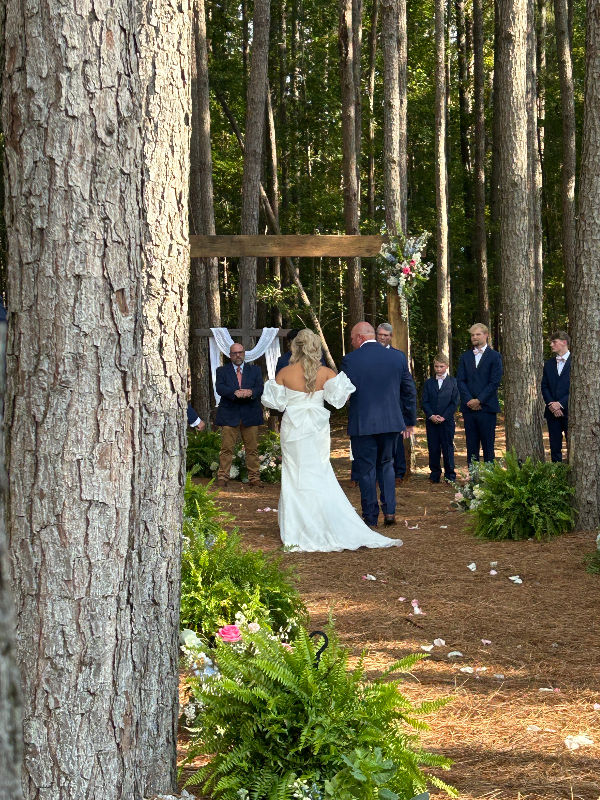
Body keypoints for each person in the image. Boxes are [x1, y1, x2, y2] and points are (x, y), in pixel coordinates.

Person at [261, 329, 403, 552]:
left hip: (294, 428)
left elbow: (273, 403)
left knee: (294, 473)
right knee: (320, 470)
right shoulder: (326, 372)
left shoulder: (284, 373)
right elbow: (341, 398)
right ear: (316, 348)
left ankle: (298, 525)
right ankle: (324, 518)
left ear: (295, 348)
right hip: (317, 426)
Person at [341, 322, 417, 528]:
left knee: (366, 470)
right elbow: (408, 390)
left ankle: (371, 516)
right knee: (387, 465)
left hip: (363, 424)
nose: (351, 342)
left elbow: (343, 392)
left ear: (359, 338)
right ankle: (390, 511)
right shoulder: (397, 357)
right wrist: (409, 421)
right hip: (391, 423)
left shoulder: (350, 360)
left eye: (351, 338)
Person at [215, 343, 264, 487]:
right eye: (235, 353)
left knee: (252, 449)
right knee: (226, 448)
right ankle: (223, 477)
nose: (238, 355)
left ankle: (254, 478)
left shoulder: (254, 370)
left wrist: (251, 392)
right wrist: (234, 393)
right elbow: (220, 388)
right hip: (229, 414)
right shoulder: (222, 370)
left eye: (240, 352)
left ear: (244, 353)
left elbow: (260, 387)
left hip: (250, 414)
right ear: (230, 355)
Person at [456, 323, 503, 463]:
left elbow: (494, 382)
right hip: (469, 409)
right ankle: (473, 481)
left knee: (488, 447)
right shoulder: (465, 357)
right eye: (472, 335)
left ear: (486, 335)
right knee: (471, 447)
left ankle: (490, 481)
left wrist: (479, 400)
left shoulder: (495, 356)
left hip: (487, 408)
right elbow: (460, 381)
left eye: (478, 334)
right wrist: (470, 400)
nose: (474, 337)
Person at [376, 322, 408, 484]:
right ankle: (378, 473)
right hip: (375, 406)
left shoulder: (399, 356)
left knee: (396, 441)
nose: (382, 337)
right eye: (380, 334)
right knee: (377, 440)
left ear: (391, 337)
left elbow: (405, 383)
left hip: (395, 405)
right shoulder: (370, 354)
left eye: (386, 335)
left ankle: (399, 473)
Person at [422, 353, 459, 483]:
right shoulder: (428, 383)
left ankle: (450, 475)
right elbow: (424, 402)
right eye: (436, 366)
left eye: (441, 366)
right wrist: (431, 415)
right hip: (431, 421)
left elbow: (454, 402)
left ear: (447, 366)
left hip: (447, 421)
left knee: (447, 447)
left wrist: (444, 417)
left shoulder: (453, 382)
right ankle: (435, 474)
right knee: (433, 448)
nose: (438, 369)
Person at [541, 330, 571, 462]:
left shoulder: (576, 362)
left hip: (571, 411)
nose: (551, 345)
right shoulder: (549, 364)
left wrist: (561, 403)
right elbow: (544, 386)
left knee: (573, 445)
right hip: (552, 412)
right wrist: (552, 404)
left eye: (554, 342)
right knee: (554, 446)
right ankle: (557, 475)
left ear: (564, 342)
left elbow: (577, 388)